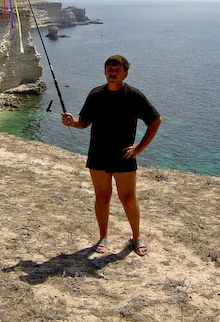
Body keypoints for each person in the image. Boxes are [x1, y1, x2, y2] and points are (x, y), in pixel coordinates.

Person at [62, 55, 161, 256]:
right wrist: (72, 122)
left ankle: (136, 237)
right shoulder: (96, 94)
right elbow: (84, 122)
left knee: (128, 198)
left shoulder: (134, 96)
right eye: (109, 69)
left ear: (125, 73)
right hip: (98, 155)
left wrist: (139, 148)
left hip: (124, 157)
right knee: (102, 196)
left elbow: (155, 120)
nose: (112, 73)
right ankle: (103, 237)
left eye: (117, 70)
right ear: (105, 71)